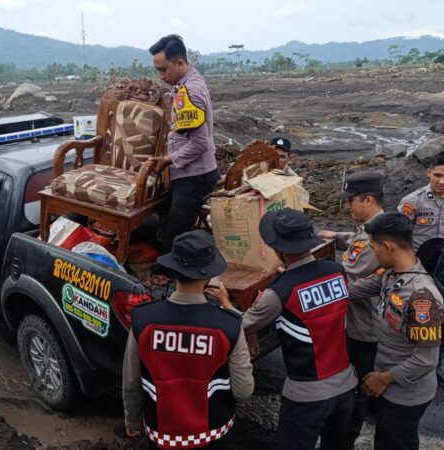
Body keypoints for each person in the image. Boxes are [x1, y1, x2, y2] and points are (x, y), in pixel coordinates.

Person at [212, 209, 355, 450]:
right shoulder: (336, 271)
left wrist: (226, 302)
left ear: (279, 249)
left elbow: (244, 324)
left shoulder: (280, 291)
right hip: (346, 385)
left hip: (307, 396)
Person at [122, 230, 254, 449]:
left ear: (174, 269)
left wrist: (133, 421)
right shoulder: (228, 324)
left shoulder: (143, 319)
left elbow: (131, 382)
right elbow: (243, 390)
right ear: (208, 275)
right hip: (214, 435)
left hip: (161, 435)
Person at [348, 212, 444, 450]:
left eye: (373, 248)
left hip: (406, 394)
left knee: (395, 443)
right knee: (385, 439)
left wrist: (382, 379)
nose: (373, 253)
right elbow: (352, 290)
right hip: (389, 383)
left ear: (388, 246)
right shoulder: (391, 275)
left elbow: (426, 360)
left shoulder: (422, 298)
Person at [317, 171, 385, 446]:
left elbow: (346, 274)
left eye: (351, 201)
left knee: (356, 389)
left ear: (368, 200)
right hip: (355, 321)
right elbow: (357, 239)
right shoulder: (372, 227)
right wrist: (337, 235)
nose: (347, 207)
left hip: (361, 326)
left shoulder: (375, 236)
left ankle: (346, 438)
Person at [146, 35, 219, 253]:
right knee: (166, 225)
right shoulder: (185, 84)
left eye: (163, 69)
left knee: (174, 240)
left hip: (195, 176)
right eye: (157, 71)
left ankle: (178, 281)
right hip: (187, 173)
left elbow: (199, 143)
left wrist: (168, 160)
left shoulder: (190, 91)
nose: (161, 76)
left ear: (180, 63)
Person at [397, 151, 444, 390]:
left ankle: (438, 366)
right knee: (410, 314)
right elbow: (398, 238)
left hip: (442, 268)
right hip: (414, 267)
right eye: (437, 175)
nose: (442, 181)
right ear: (428, 173)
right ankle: (406, 365)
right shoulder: (412, 202)